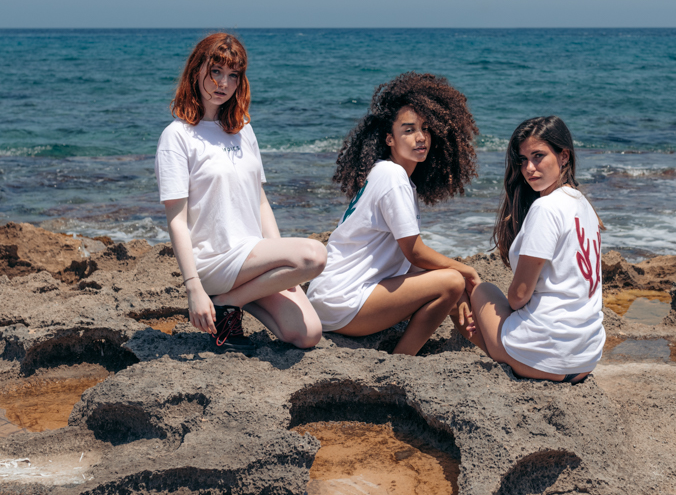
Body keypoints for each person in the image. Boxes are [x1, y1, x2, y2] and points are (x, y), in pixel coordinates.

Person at [156, 32, 324, 350]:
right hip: (213, 261)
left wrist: (281, 263)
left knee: (308, 334)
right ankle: (223, 299)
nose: (223, 83)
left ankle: (230, 302)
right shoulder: (177, 136)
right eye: (215, 71)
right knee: (314, 255)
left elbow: (260, 201)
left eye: (233, 75)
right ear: (196, 70)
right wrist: (193, 287)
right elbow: (176, 219)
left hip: (250, 260)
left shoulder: (243, 128)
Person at [306, 72, 481, 355]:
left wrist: (458, 292)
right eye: (408, 130)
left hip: (331, 298)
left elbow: (408, 261)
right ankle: (403, 359)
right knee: (451, 281)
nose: (421, 138)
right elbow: (415, 253)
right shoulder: (392, 176)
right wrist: (465, 270)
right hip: (342, 300)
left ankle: (479, 346)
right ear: (390, 138)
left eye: (425, 129)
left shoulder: (390, 175)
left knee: (453, 289)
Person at [465, 116, 605, 382]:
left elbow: (519, 296)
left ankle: (503, 361)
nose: (529, 168)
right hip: (586, 358)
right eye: (523, 160)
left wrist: (503, 309)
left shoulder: (545, 207)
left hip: (545, 356)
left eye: (538, 156)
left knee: (481, 290)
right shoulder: (584, 205)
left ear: (564, 156)